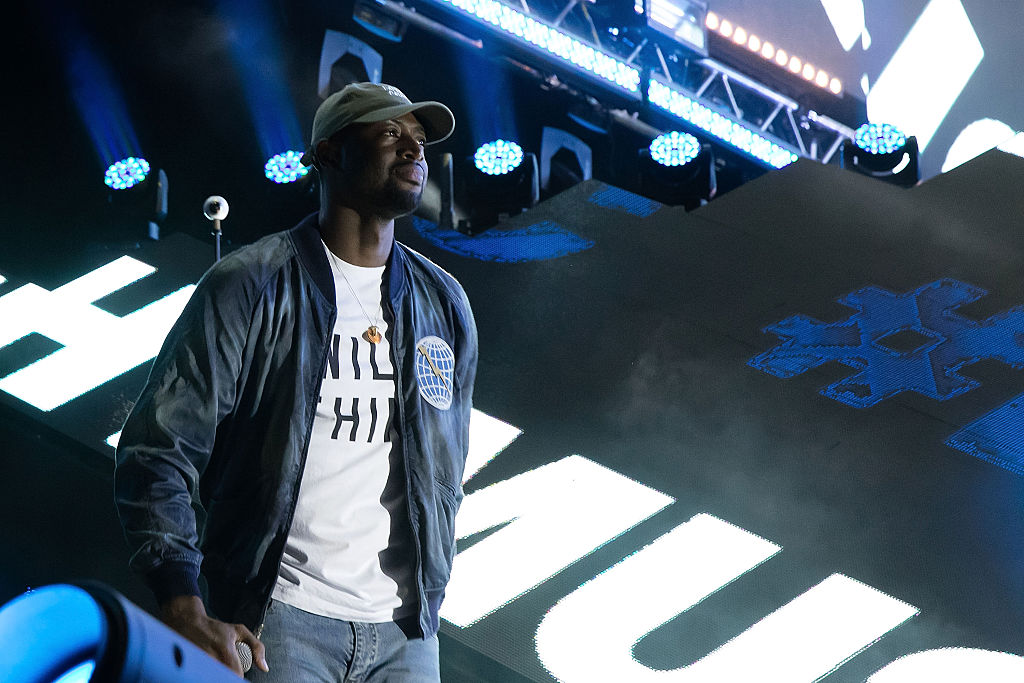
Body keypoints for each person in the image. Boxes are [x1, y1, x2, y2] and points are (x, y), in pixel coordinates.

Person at [114, 82, 478, 682]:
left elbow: (446, 465)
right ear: (330, 153)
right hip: (278, 623)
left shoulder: (443, 302)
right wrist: (183, 603)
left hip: (407, 635)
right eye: (390, 134)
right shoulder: (251, 283)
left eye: (419, 139)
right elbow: (158, 448)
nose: (414, 150)